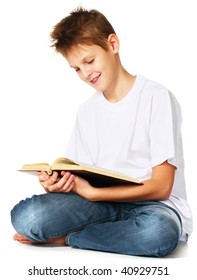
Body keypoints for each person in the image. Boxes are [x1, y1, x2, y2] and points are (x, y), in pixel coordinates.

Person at [11, 6, 193, 257]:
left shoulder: (156, 97)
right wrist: (57, 184)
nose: (86, 74)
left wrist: (94, 193)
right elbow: (81, 176)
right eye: (76, 69)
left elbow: (161, 187)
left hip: (154, 206)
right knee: (27, 218)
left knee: (157, 233)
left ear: (113, 44)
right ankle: (111, 232)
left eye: (89, 61)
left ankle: (72, 237)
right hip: (100, 204)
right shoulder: (86, 111)